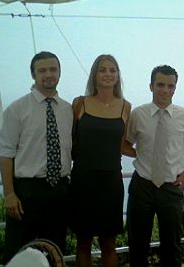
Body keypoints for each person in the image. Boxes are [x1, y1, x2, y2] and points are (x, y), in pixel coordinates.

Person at [0, 51, 73, 263]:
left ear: (59, 72)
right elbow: (5, 153)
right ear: (33, 75)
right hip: (26, 194)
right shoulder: (17, 109)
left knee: (55, 253)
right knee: (18, 253)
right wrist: (9, 194)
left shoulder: (67, 110)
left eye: (53, 69)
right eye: (42, 70)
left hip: (59, 192)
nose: (48, 74)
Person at [126, 65, 184, 267]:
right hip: (142, 186)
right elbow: (125, 143)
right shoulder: (138, 115)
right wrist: (140, 154)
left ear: (175, 89)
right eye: (160, 85)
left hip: (171, 188)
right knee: (137, 245)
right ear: (151, 86)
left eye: (170, 86)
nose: (165, 90)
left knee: (172, 247)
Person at [70, 54, 135, 267]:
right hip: (82, 182)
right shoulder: (80, 104)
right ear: (94, 75)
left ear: (118, 76)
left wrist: (152, 154)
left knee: (109, 244)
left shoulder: (126, 106)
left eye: (112, 70)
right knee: (83, 244)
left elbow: (123, 145)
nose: (108, 74)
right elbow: (70, 142)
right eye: (102, 70)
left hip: (111, 184)